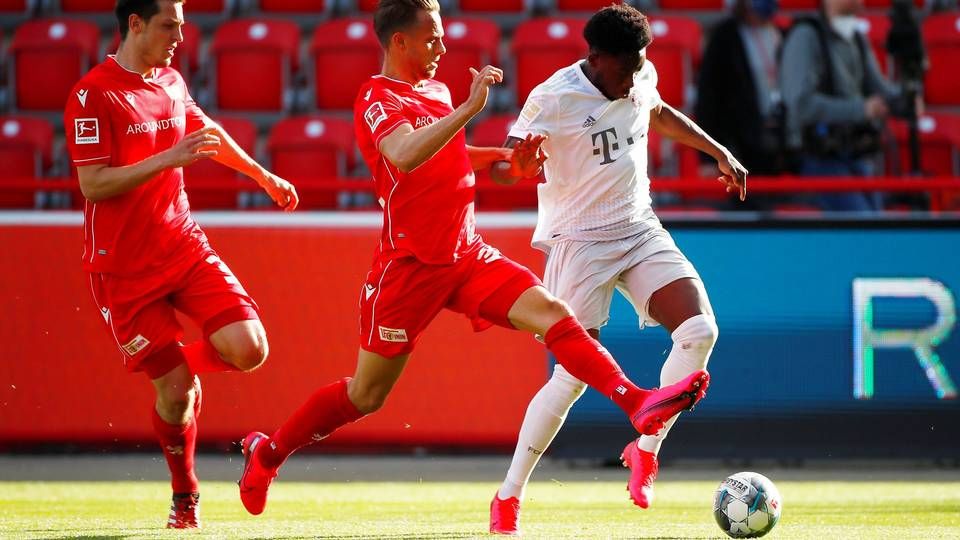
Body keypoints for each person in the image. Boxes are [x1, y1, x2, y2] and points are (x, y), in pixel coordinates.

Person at [236, 0, 711, 518]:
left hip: (466, 254)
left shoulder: (435, 91)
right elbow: (403, 154)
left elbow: (450, 155)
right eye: (432, 38)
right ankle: (270, 451)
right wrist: (467, 111)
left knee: (554, 314)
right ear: (399, 42)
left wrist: (508, 159)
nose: (442, 47)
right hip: (409, 267)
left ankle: (636, 401)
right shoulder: (377, 96)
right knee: (366, 396)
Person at [487, 5, 748, 535]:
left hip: (637, 227)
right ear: (596, 58)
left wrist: (716, 150)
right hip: (578, 241)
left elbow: (656, 111)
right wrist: (518, 167)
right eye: (626, 67)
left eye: (640, 64)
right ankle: (508, 495)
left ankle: (645, 452)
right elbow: (503, 166)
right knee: (571, 379)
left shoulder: (639, 74)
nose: (635, 76)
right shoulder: (554, 96)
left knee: (700, 331)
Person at [63, 0, 299, 529]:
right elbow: (93, 184)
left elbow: (205, 133)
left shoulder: (170, 80)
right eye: (169, 24)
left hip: (183, 246)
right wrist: (169, 158)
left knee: (250, 348)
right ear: (135, 23)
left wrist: (263, 176)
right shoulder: (93, 93)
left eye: (184, 24)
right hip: (122, 270)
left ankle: (177, 364)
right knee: (175, 399)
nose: (180, 35)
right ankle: (185, 494)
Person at [780, 0, 904, 211]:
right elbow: (800, 105)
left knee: (880, 226)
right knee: (863, 227)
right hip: (817, 157)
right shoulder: (806, 36)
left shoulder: (856, 37)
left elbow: (879, 88)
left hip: (854, 153)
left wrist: (906, 99)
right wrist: (861, 110)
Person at [695, 0, 785, 180]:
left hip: (778, 140)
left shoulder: (781, 33)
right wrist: (708, 156)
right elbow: (708, 98)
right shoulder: (724, 38)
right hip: (739, 142)